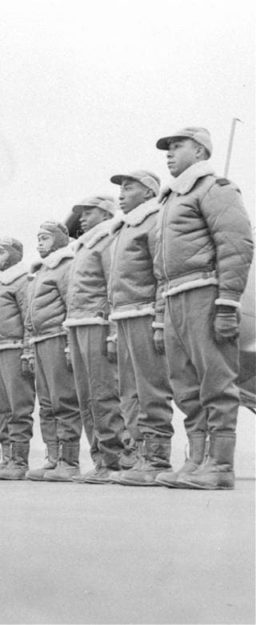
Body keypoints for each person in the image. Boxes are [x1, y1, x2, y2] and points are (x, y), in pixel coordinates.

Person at [152, 127, 253, 490]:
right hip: (174, 297)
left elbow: (236, 244)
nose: (169, 153)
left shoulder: (215, 188)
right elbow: (160, 266)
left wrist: (227, 303)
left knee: (216, 380)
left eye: (177, 146)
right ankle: (196, 460)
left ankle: (221, 465)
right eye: (168, 147)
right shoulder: (169, 203)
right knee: (185, 386)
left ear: (199, 151)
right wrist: (161, 317)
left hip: (205, 294)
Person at [107, 170, 174, 486]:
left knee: (151, 388)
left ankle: (157, 456)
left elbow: (162, 273)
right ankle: (138, 454)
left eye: (129, 187)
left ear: (148, 192)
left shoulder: (154, 220)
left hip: (145, 313)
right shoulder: (124, 227)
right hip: (123, 316)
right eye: (120, 188)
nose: (121, 193)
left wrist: (160, 319)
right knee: (129, 392)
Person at [65, 195, 127, 484]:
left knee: (103, 393)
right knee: (86, 397)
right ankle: (100, 459)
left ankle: (116, 459)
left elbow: (113, 284)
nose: (82, 218)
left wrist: (112, 330)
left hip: (97, 321)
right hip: (77, 322)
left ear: (105, 214)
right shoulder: (82, 246)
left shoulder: (107, 240)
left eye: (89, 212)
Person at [25, 222, 82, 481]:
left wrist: (71, 344)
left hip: (57, 338)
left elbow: (72, 304)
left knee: (63, 400)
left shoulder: (66, 266)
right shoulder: (39, 274)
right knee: (46, 404)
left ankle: (69, 461)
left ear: (60, 240)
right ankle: (52, 457)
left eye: (45, 238)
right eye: (37, 238)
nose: (39, 243)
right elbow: (29, 316)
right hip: (39, 341)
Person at [0, 237, 36, 480]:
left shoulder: (22, 281)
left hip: (14, 349)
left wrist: (27, 350)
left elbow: (29, 317)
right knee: (0, 409)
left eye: (1, 252)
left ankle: (19, 460)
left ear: (15, 254)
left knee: (18, 407)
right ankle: (7, 457)